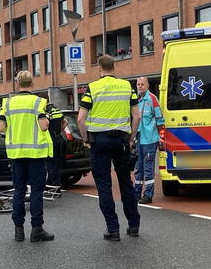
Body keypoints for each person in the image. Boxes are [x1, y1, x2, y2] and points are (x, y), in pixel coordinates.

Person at [77, 55, 141, 241]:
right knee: (125, 182)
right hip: (121, 140)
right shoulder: (127, 86)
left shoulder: (93, 87)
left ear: (99, 68)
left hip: (99, 141)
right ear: (114, 67)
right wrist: (130, 139)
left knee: (104, 186)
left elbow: (81, 118)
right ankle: (134, 225)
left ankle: (113, 230)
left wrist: (86, 138)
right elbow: (136, 116)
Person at [0, 71, 54, 242]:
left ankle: (18, 230)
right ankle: (37, 229)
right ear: (32, 84)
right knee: (36, 191)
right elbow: (43, 126)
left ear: (17, 83)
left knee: (19, 191)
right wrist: (47, 121)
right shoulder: (39, 102)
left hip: (16, 154)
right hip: (36, 154)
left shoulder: (8, 104)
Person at [134, 77, 165, 204]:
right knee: (138, 167)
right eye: (138, 84)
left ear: (147, 85)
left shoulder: (152, 99)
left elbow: (160, 119)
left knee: (148, 168)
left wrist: (160, 137)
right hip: (139, 139)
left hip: (150, 139)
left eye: (142, 84)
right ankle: (136, 193)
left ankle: (148, 194)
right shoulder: (136, 99)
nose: (140, 86)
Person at [45, 102, 65, 187]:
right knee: (55, 163)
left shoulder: (47, 111)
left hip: (50, 139)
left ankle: (54, 185)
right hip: (58, 138)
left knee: (50, 163)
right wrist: (59, 131)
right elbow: (65, 122)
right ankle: (51, 184)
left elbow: (45, 125)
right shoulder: (57, 110)